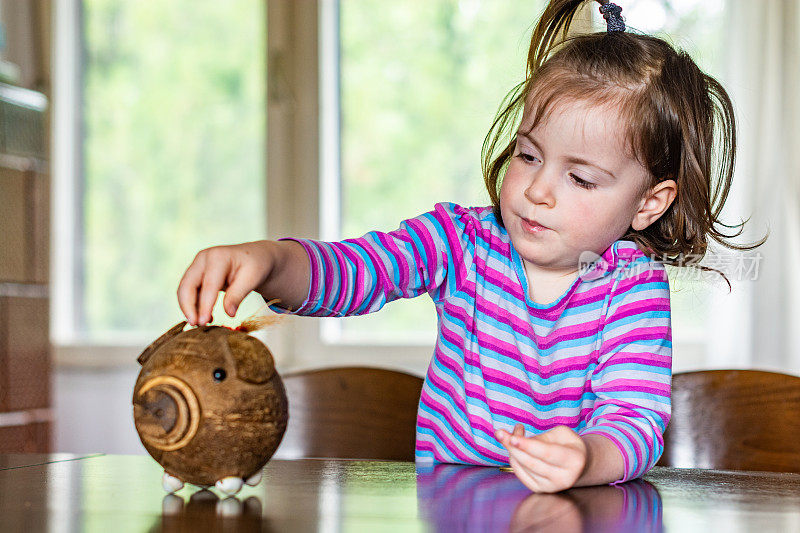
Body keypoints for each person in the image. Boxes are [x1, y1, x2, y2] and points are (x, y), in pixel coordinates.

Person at [177, 0, 763, 492]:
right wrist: (272, 262)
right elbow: (355, 271)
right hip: (454, 509)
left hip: (578, 518)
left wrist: (586, 457)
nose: (536, 189)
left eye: (580, 178)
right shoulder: (459, 242)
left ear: (648, 203)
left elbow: (634, 420)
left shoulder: (631, 286)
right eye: (528, 154)